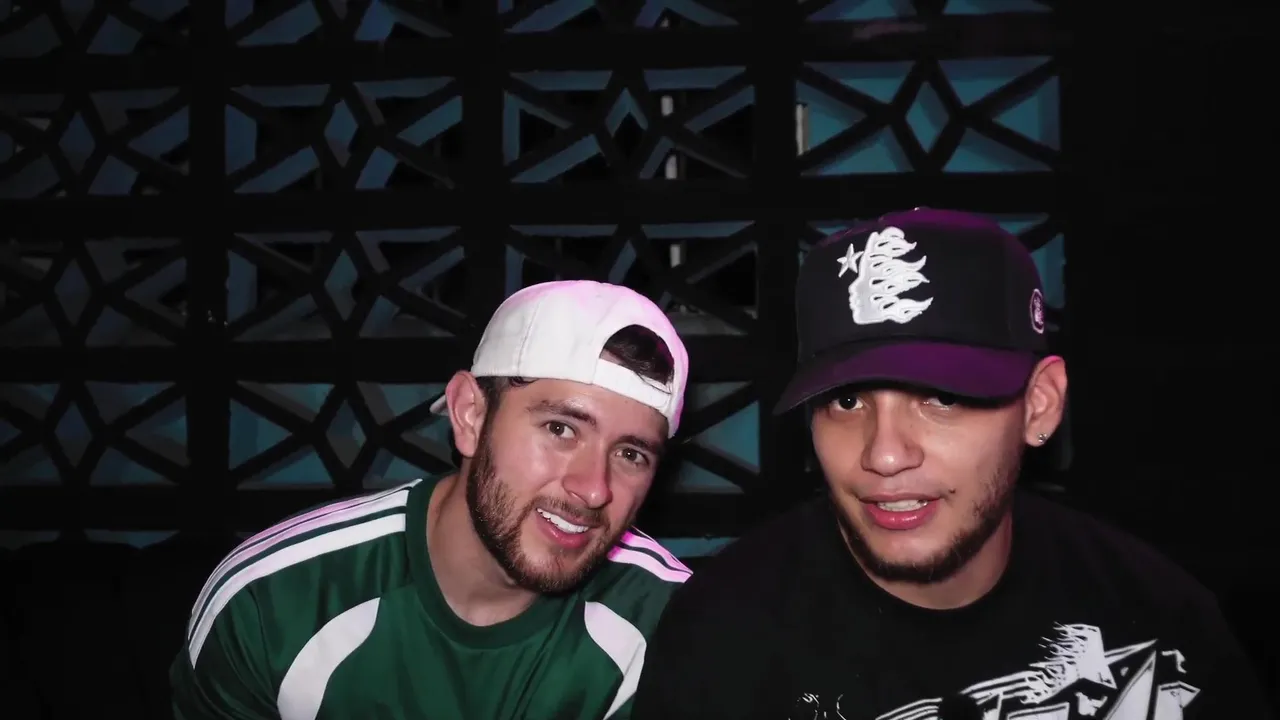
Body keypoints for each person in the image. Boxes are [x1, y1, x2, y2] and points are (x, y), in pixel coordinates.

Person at [631, 209, 1274, 720]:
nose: (884, 454)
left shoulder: (1160, 620)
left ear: (1040, 405)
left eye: (942, 397)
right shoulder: (723, 641)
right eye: (847, 401)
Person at [171, 280, 694, 720]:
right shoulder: (276, 601)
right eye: (560, 428)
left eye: (631, 454)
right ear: (470, 415)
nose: (594, 488)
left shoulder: (673, 621)